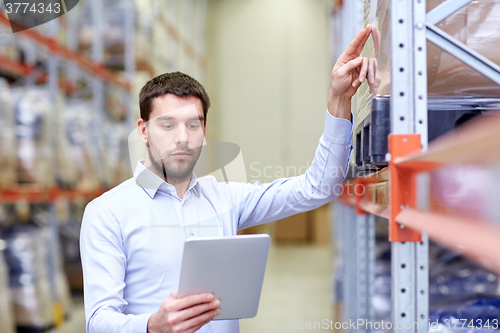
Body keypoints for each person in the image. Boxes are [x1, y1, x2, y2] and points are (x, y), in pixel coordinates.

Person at [80, 25, 373, 333]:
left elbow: (319, 188)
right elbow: (98, 320)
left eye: (193, 125)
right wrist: (152, 326)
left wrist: (338, 100)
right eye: (168, 125)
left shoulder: (225, 199)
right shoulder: (107, 213)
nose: (182, 138)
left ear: (204, 130)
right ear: (143, 130)